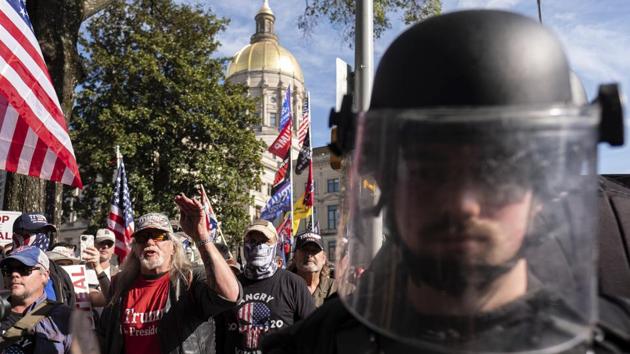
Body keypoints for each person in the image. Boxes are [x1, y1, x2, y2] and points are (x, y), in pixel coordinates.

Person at [262, 9, 630, 354]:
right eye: (428, 171)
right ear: (384, 184)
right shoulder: (315, 346)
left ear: (544, 188)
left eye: (496, 171)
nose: (464, 204)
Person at [97, 194, 241, 354]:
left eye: (158, 236)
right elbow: (105, 338)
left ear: (173, 246)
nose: (150, 242)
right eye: (142, 237)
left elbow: (230, 295)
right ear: (135, 248)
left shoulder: (189, 280)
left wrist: (201, 235)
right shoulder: (120, 286)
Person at [215, 219, 316, 354]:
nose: (258, 246)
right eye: (252, 241)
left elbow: (312, 333)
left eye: (264, 241)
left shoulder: (293, 284)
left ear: (275, 245)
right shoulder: (231, 285)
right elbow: (219, 334)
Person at [0, 246, 72, 353]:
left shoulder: (64, 317)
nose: (14, 274)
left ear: (45, 275)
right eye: (9, 270)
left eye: (24, 269)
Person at [12, 213, 75, 308]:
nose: (44, 237)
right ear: (18, 236)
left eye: (46, 232)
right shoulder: (5, 267)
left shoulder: (58, 271)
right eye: (38, 232)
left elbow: (70, 304)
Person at [288, 232, 336, 307]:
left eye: (314, 250)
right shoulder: (282, 287)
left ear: (324, 259)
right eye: (304, 250)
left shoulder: (338, 289)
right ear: (294, 257)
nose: (309, 255)